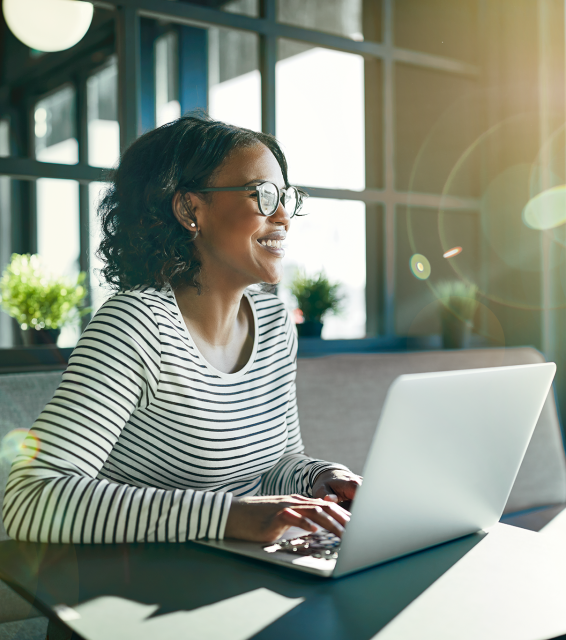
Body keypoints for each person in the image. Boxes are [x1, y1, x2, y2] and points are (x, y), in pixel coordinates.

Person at [2, 115, 361, 544]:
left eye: (285, 196)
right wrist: (229, 516)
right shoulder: (134, 326)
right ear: (190, 209)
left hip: (243, 572)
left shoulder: (274, 322)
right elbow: (29, 497)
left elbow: (276, 462)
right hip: (138, 589)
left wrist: (319, 478)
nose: (283, 216)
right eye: (263, 196)